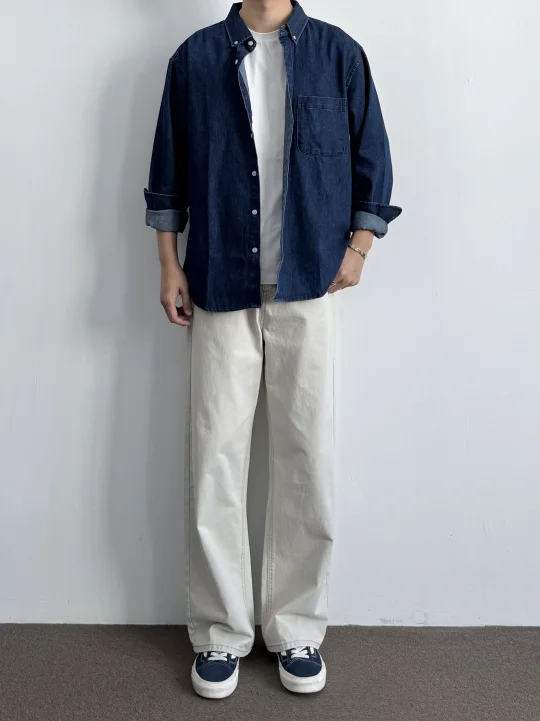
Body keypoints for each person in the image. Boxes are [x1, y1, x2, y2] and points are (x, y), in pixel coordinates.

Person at [144, 0, 401, 699]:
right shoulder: (195, 59)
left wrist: (359, 248)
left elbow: (372, 157)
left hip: (308, 281)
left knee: (306, 455)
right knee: (215, 457)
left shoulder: (338, 54)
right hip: (218, 279)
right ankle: (220, 632)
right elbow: (168, 171)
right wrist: (168, 265)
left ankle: (296, 628)